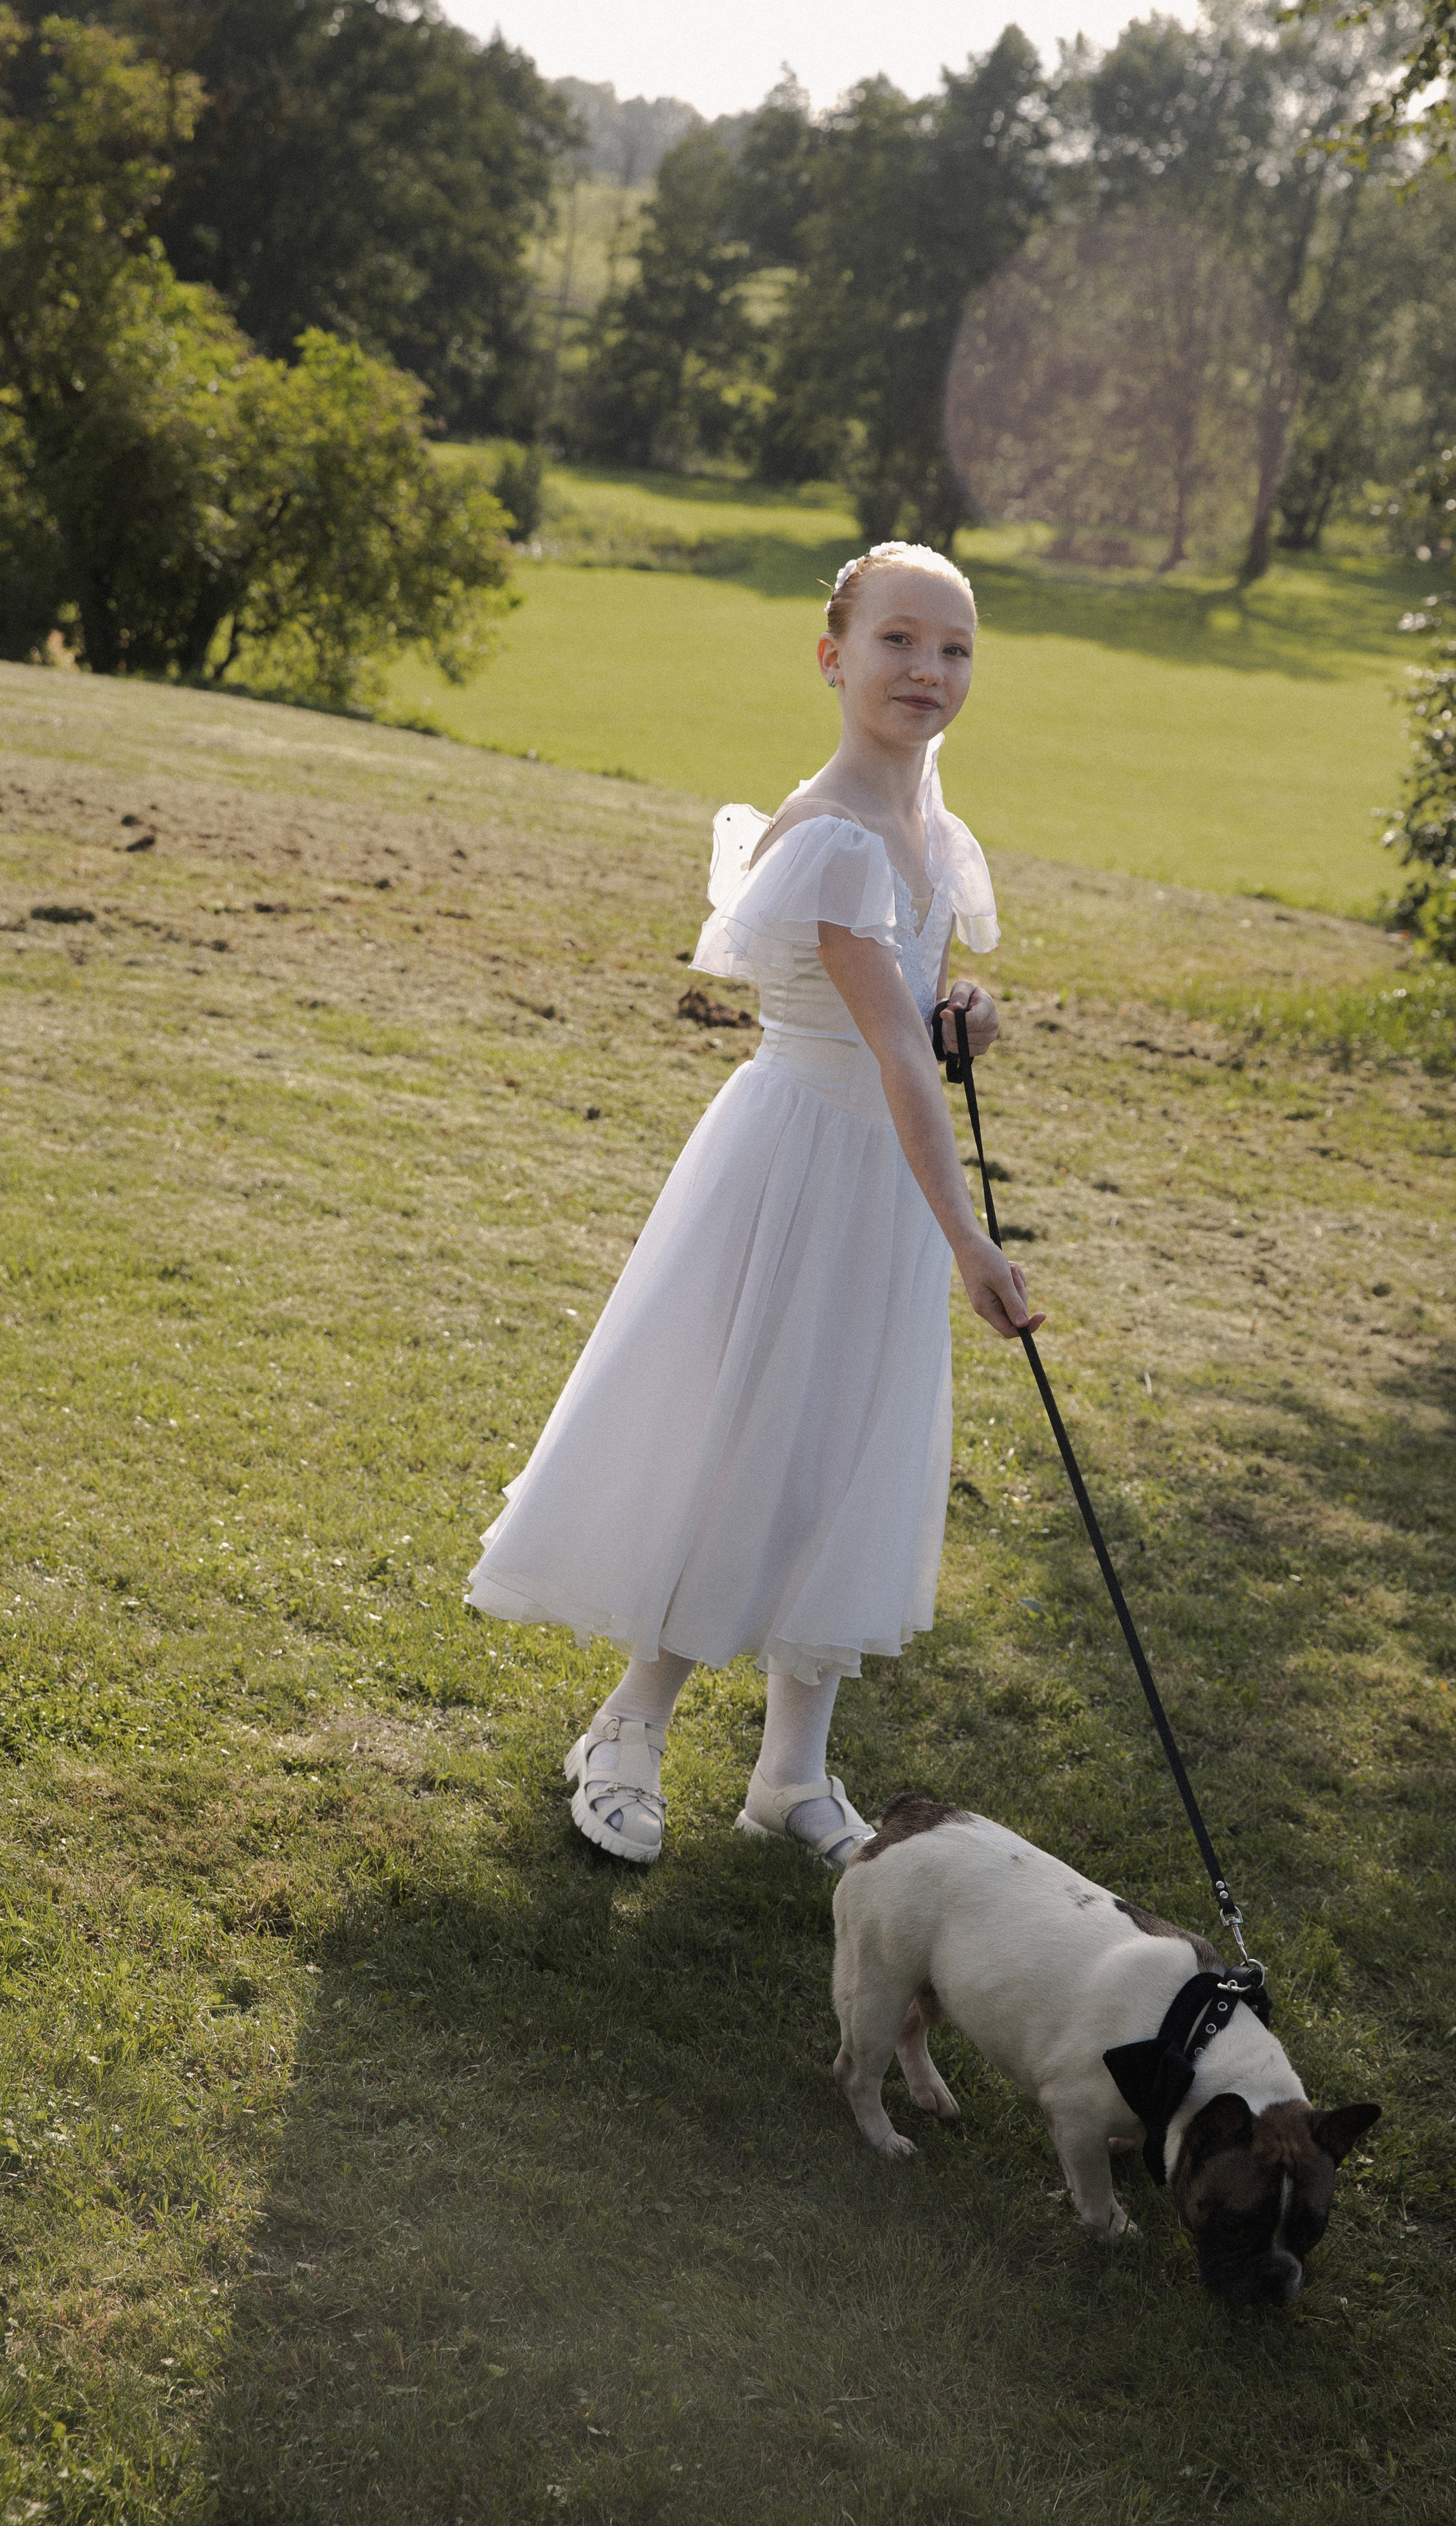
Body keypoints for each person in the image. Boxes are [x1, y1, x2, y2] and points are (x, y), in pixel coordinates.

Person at [465, 541, 1040, 1868]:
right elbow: (887, 1050)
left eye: (953, 649)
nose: (928, 671)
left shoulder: (932, 834)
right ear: (834, 655)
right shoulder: (829, 835)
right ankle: (627, 1729)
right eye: (899, 641)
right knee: (743, 1446)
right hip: (797, 1172)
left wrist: (975, 1013)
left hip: (885, 1185)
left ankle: (792, 1770)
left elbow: (926, 1019)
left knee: (849, 1448)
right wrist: (970, 1238)